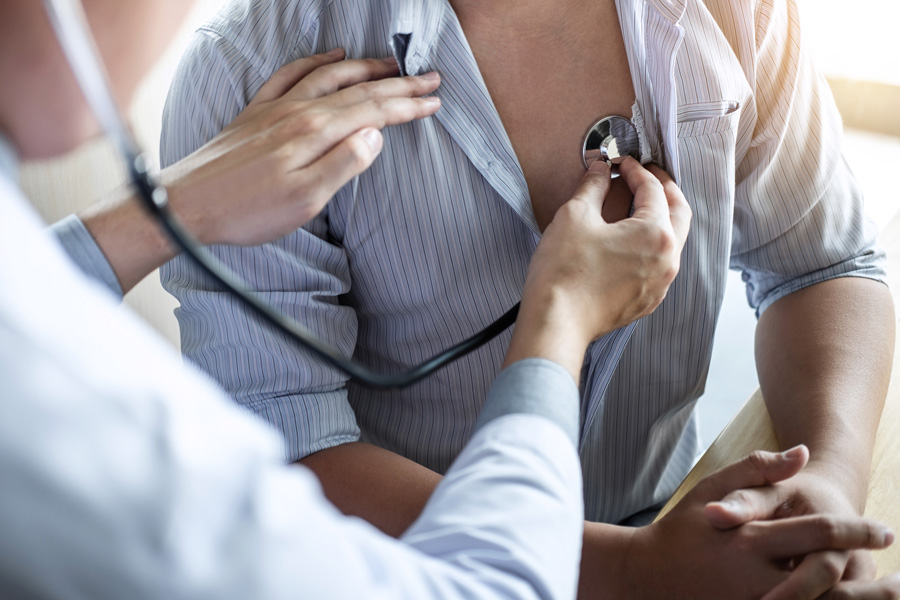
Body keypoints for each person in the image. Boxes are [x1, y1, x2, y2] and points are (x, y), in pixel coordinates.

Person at [9, 1, 880, 598]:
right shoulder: (251, 71)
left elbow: (825, 262)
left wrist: (827, 491)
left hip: (677, 525)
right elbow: (293, 450)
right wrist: (635, 573)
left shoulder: (735, 14)